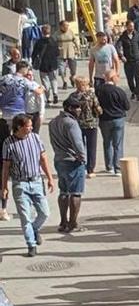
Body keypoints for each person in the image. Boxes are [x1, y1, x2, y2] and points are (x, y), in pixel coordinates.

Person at [2, 113, 54, 256]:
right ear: (19, 127)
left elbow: (43, 159)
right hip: (20, 184)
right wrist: (4, 186)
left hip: (36, 181)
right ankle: (31, 244)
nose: (31, 128)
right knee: (25, 216)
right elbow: (6, 167)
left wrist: (50, 178)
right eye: (28, 126)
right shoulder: (9, 143)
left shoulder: (36, 138)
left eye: (31, 126)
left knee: (44, 212)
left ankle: (34, 229)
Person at [49, 97, 87, 233]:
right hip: (73, 161)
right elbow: (78, 143)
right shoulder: (71, 123)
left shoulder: (53, 122)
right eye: (77, 107)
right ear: (70, 109)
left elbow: (53, 142)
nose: (79, 110)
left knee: (63, 191)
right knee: (76, 193)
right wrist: (83, 158)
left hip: (59, 160)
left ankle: (63, 221)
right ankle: (73, 223)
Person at [95, 70, 129, 175]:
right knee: (118, 144)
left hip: (104, 119)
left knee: (107, 142)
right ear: (113, 78)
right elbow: (127, 106)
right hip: (118, 119)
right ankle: (118, 168)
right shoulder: (119, 91)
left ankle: (109, 166)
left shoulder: (98, 90)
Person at [69, 76, 102, 178]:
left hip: (78, 124)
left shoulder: (73, 96)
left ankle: (81, 167)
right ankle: (90, 169)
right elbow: (97, 108)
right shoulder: (91, 95)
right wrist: (100, 112)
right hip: (91, 124)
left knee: (79, 147)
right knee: (91, 147)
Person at [115, 20, 139, 101]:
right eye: (130, 26)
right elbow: (117, 46)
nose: (132, 28)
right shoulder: (123, 36)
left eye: (133, 26)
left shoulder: (137, 35)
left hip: (137, 60)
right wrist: (121, 56)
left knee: (137, 78)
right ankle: (133, 91)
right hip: (128, 61)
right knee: (130, 78)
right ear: (127, 27)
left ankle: (138, 93)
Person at [31, 24, 61, 106]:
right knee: (54, 80)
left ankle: (48, 99)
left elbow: (34, 54)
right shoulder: (53, 41)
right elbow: (57, 53)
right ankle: (55, 93)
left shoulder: (39, 42)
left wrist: (33, 61)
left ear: (42, 31)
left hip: (43, 65)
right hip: (53, 65)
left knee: (45, 82)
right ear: (50, 31)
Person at [55, 21, 79, 90]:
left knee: (73, 69)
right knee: (62, 69)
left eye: (67, 25)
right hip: (61, 54)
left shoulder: (70, 32)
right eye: (65, 25)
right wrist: (56, 48)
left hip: (71, 53)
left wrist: (78, 49)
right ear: (61, 26)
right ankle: (64, 82)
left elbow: (75, 40)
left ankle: (72, 77)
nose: (66, 27)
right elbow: (53, 42)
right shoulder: (57, 34)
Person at [22, 69, 45, 134]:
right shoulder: (21, 85)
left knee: (35, 134)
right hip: (24, 113)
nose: (31, 77)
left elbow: (41, 101)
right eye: (28, 75)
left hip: (34, 114)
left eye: (32, 75)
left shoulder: (36, 86)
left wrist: (41, 115)